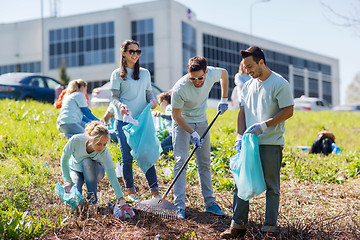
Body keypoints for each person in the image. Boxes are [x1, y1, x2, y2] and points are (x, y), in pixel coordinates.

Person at [221, 46, 294, 239]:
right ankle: (237, 226)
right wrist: (239, 136)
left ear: (261, 62)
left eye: (250, 66)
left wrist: (265, 125)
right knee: (240, 183)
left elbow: (288, 110)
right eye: (245, 67)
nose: (247, 71)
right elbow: (242, 112)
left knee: (272, 187)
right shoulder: (247, 86)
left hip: (271, 143)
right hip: (249, 143)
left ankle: (269, 229)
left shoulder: (279, 83)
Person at [171, 56, 229, 219]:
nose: (196, 81)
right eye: (192, 78)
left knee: (204, 163)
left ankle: (210, 203)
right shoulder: (180, 88)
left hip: (202, 121)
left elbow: (224, 74)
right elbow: (176, 116)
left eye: (200, 78)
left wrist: (224, 99)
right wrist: (193, 133)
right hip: (182, 123)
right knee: (180, 161)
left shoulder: (212, 74)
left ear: (206, 72)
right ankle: (179, 206)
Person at [110, 40, 160, 203]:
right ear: (123, 53)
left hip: (142, 121)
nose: (135, 55)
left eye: (137, 52)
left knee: (146, 155)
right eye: (131, 51)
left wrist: (153, 101)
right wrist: (121, 106)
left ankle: (155, 191)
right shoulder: (117, 74)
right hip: (123, 121)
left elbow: (149, 94)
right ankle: (131, 191)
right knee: (127, 158)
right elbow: (114, 97)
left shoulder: (145, 73)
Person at [60, 121, 134, 218]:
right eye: (99, 144)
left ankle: (92, 203)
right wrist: (67, 180)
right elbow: (64, 159)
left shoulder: (104, 152)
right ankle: (80, 206)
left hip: (94, 172)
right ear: (90, 137)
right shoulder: (76, 140)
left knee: (87, 161)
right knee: (75, 202)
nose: (102, 147)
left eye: (104, 144)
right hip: (76, 170)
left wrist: (122, 200)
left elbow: (112, 176)